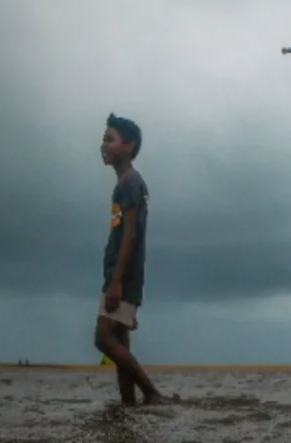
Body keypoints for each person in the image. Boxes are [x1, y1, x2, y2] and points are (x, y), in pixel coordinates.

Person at [94, 113, 163, 405]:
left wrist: (117, 282)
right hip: (121, 275)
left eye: (110, 140)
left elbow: (131, 235)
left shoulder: (130, 183)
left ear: (128, 146)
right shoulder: (125, 183)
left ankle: (152, 395)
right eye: (103, 139)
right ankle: (128, 407)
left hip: (123, 277)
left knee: (103, 338)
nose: (103, 145)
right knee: (119, 341)